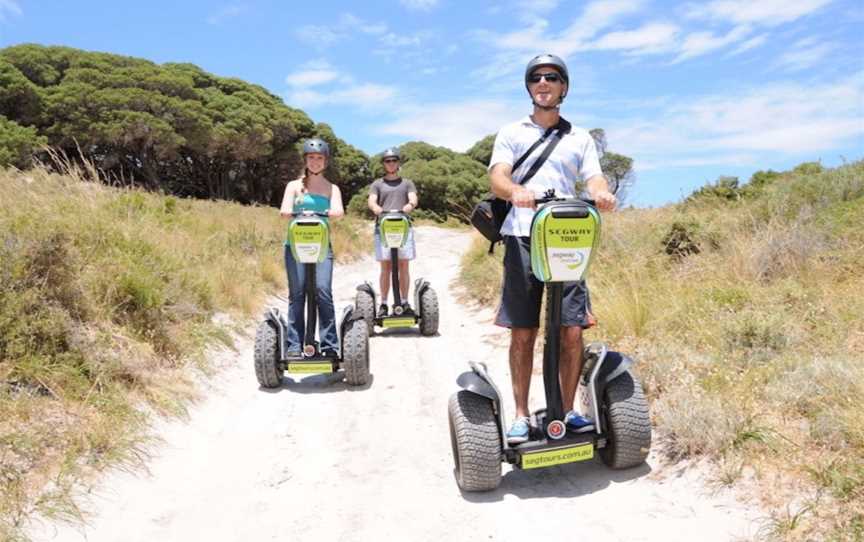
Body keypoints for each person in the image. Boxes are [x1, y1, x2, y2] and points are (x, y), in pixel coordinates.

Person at [488, 54, 617, 445]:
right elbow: (498, 177)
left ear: (563, 86)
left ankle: (570, 409)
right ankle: (522, 414)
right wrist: (516, 192)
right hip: (523, 235)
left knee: (572, 330)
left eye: (552, 78)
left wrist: (602, 193)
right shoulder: (511, 132)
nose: (544, 83)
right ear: (529, 87)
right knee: (523, 331)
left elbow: (593, 178)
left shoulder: (579, 137)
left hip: (566, 238)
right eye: (537, 78)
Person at [279, 138, 345, 357]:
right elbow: (284, 210)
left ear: (325, 161)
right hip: (296, 245)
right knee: (297, 294)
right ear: (305, 160)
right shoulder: (293, 186)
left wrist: (333, 212)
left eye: (319, 158)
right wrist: (290, 210)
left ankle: (329, 347)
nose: (315, 162)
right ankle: (295, 346)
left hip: (321, 246)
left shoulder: (331, 188)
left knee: (323, 292)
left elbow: (338, 211)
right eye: (311, 158)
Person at [367, 147, 419, 317]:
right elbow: (372, 201)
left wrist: (409, 205)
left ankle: (404, 302)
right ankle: (383, 304)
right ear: (384, 164)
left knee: (404, 265)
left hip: (402, 227)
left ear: (398, 163)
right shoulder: (377, 184)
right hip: (383, 227)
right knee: (386, 267)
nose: (391, 164)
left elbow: (413, 198)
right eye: (387, 161)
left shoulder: (407, 183)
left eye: (394, 160)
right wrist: (376, 208)